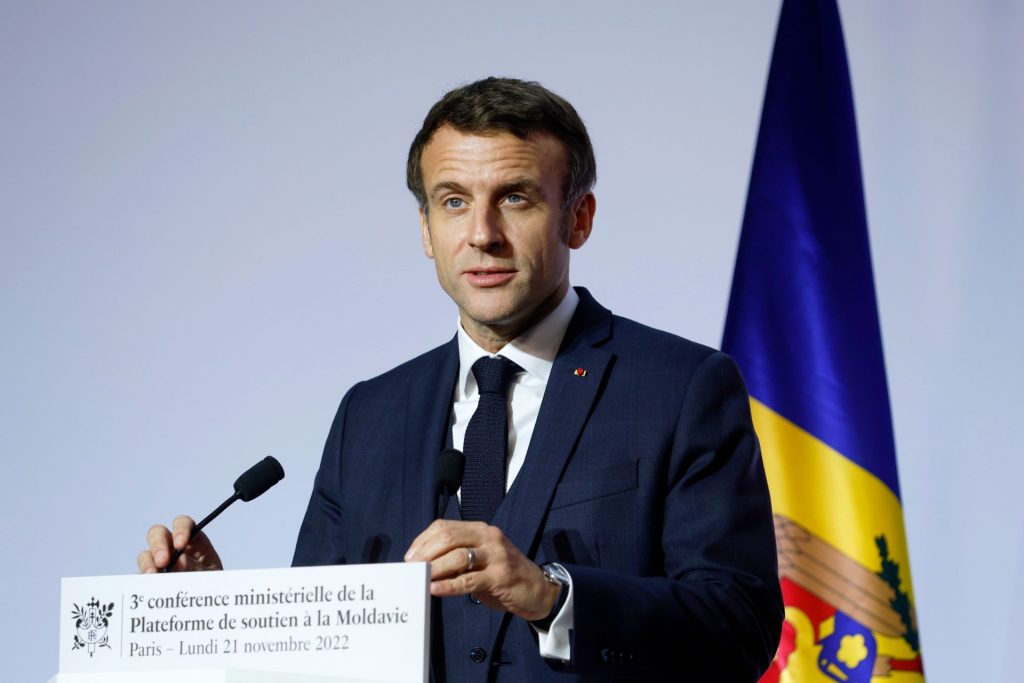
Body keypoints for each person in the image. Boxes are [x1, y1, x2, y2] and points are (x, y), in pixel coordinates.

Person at [139, 77, 783, 681]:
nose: (482, 235)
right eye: (454, 202)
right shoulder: (370, 413)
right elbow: (324, 655)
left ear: (578, 218)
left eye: (515, 198)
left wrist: (552, 598)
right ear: (426, 229)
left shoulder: (682, 387)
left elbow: (740, 628)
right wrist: (221, 616)